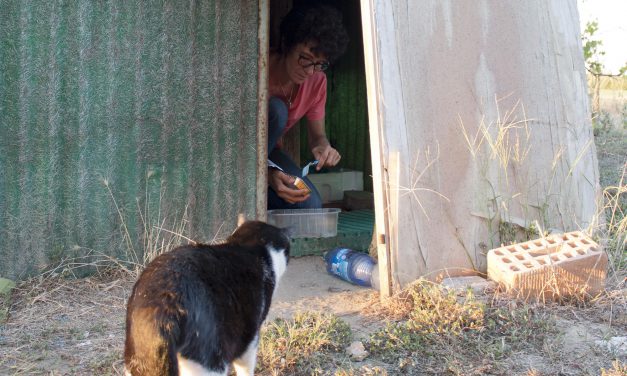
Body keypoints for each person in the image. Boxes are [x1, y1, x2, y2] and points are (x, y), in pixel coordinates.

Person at [267, 4, 349, 209]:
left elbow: (317, 137)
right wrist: (265, 173)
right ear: (287, 43)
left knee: (309, 203)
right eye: (305, 59)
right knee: (277, 110)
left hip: (268, 156)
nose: (310, 72)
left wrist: (323, 147)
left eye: (319, 63)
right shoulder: (258, 66)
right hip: (236, 152)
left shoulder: (317, 82)